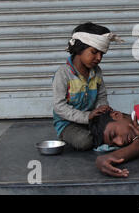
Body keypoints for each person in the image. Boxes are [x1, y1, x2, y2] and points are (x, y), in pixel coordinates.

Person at [52, 22, 122, 151]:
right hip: (68, 124)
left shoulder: (97, 72)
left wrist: (102, 108)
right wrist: (87, 117)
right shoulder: (63, 74)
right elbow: (59, 107)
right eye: (94, 52)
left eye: (102, 54)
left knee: (121, 126)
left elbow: (101, 96)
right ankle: (69, 136)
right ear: (79, 48)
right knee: (85, 141)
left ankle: (101, 136)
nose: (99, 58)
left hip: (92, 119)